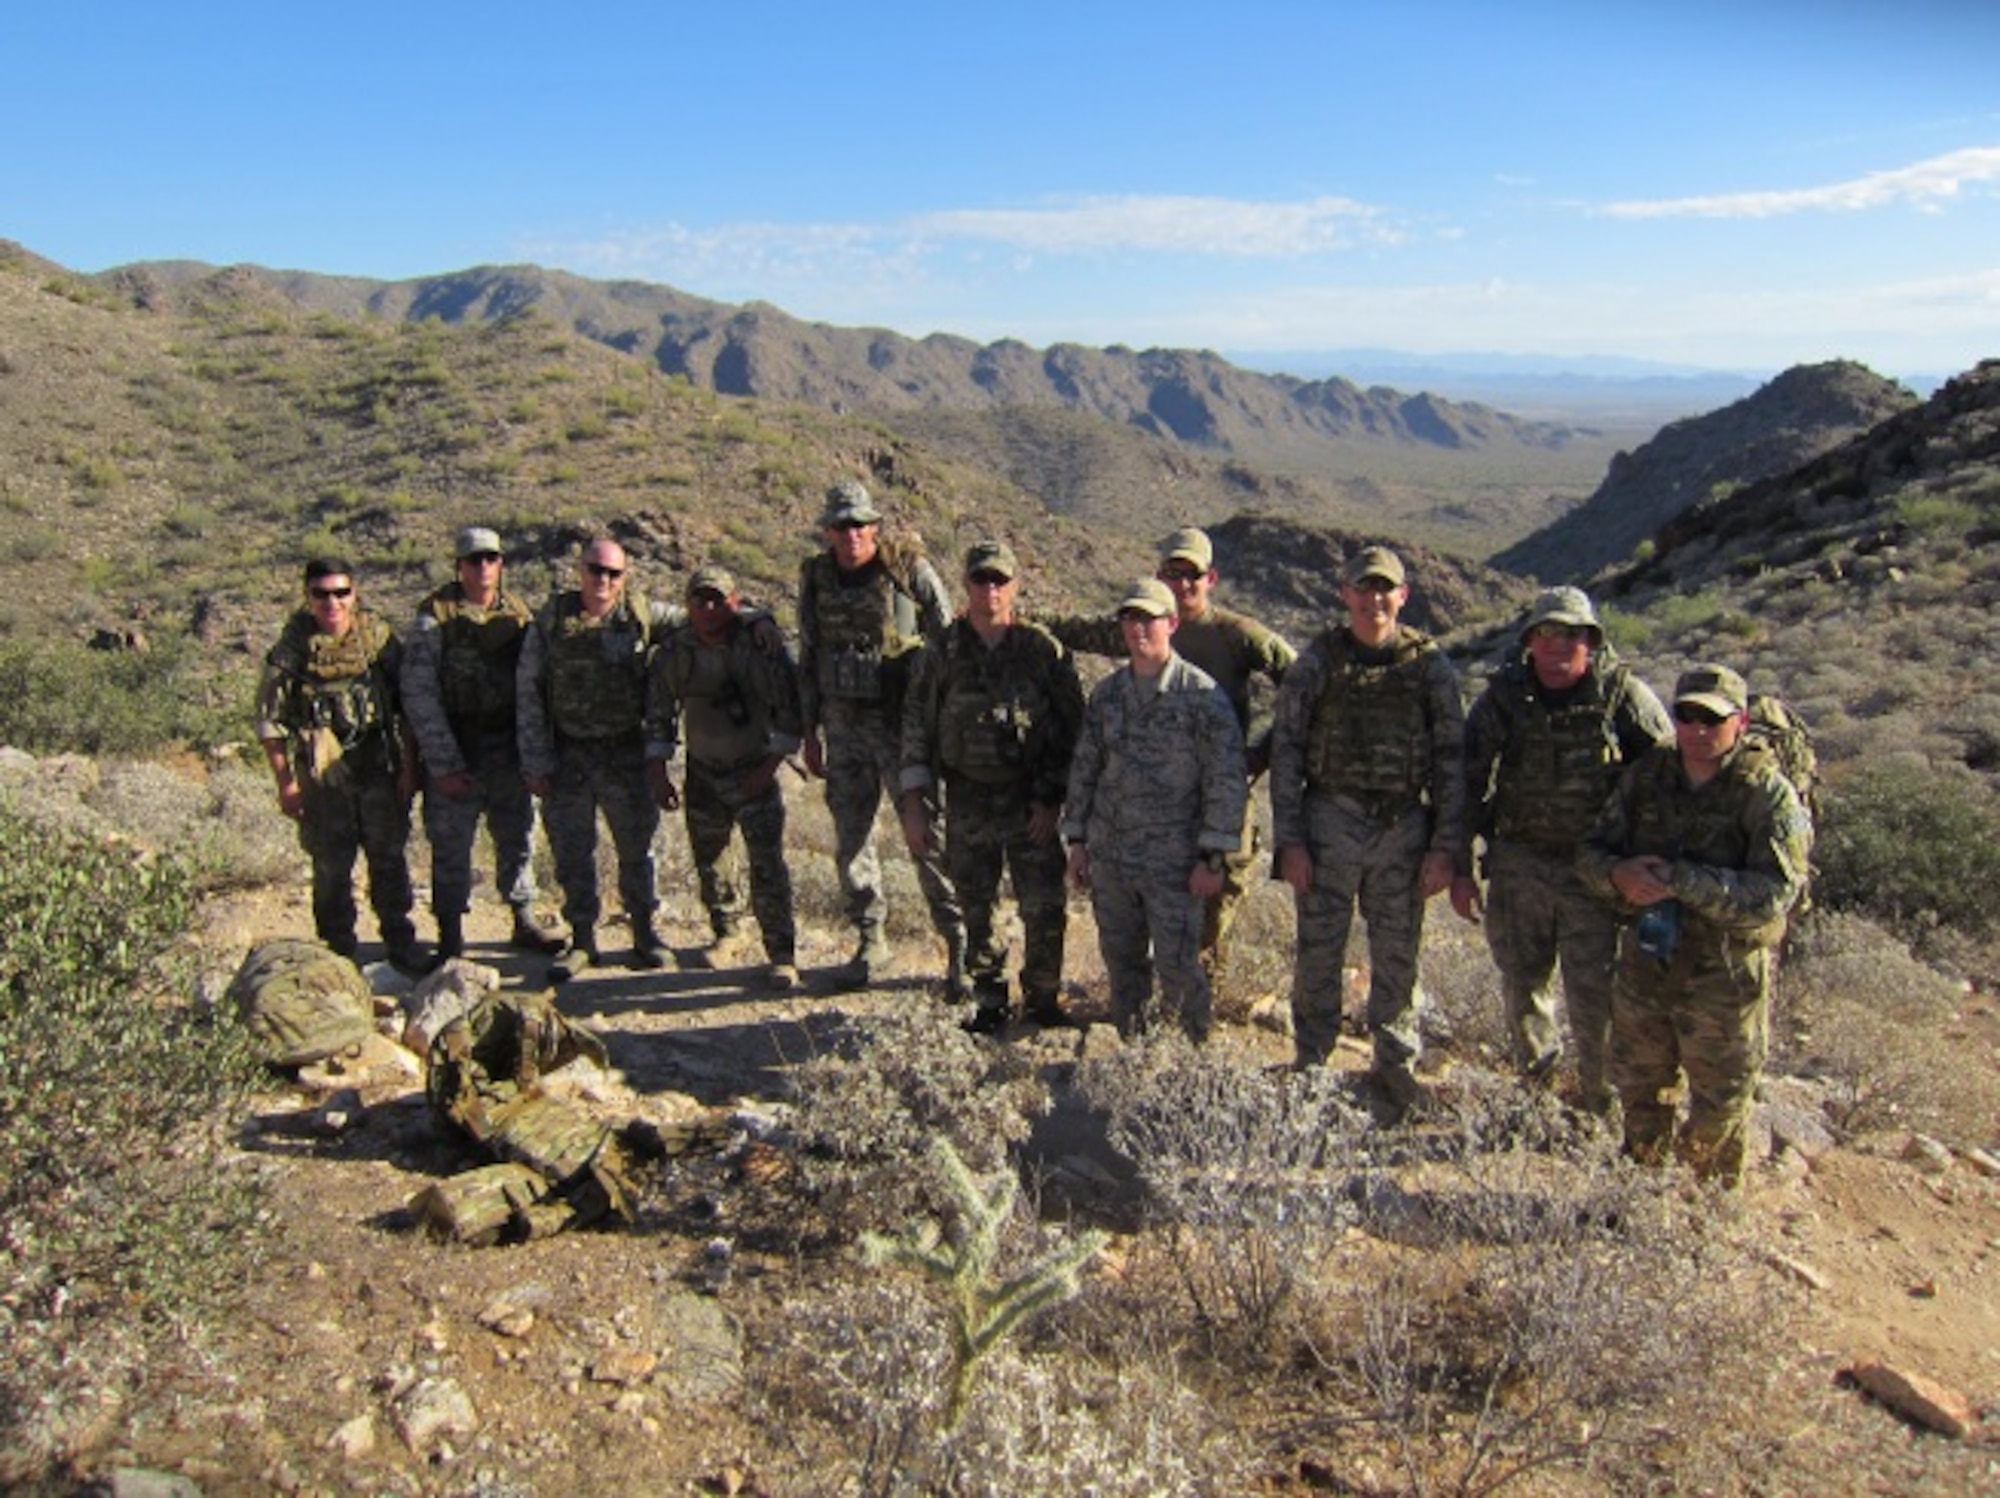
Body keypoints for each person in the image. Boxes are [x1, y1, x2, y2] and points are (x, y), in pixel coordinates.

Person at [1577, 663, 1810, 1188]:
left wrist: (1684, 882)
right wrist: (1619, 875)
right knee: (1640, 1090)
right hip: (1647, 961)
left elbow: (1776, 893)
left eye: (1713, 718)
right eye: (1687, 716)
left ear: (1740, 721)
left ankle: (1704, 1213)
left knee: (1720, 1103)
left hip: (1723, 974)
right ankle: (1637, 1203)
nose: (1698, 730)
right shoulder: (1646, 778)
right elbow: (1589, 853)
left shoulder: (1764, 794)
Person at [1452, 586, 1672, 1114]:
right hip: (1519, 865)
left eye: (1572, 635)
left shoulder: (1623, 698)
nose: (1558, 646)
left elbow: (1668, 782)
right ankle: (1538, 1099)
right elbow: (1466, 783)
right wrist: (1459, 866)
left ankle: (1600, 1108)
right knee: (1523, 988)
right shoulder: (1505, 698)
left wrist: (1649, 873)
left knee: (1594, 999)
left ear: (1591, 642)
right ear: (1530, 641)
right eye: (1547, 634)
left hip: (1595, 875)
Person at [1043, 526, 1294, 984]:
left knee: (1214, 910)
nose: (1181, 585)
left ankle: (1200, 1008)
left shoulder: (1237, 635)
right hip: (1154, 805)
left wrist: (1263, 752)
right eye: (1171, 573)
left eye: (1191, 575)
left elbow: (1301, 684)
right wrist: (1014, 617)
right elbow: (1074, 629)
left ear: (1210, 577)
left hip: (1219, 797)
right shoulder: (1143, 625)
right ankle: (1146, 1007)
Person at [1268, 545, 1465, 1123]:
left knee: (1398, 954)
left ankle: (1395, 1068)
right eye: (1364, 588)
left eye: (1386, 589)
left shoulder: (1428, 667)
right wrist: (1291, 843)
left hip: (1403, 827)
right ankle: (1311, 1060)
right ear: (1345, 593)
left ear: (1402, 596)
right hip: (1329, 820)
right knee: (1319, 951)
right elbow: (1287, 753)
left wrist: (1445, 847)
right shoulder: (1318, 662)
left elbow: (1453, 762)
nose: (1374, 599)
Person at [899, 541, 1084, 1034]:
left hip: (1031, 801)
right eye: (981, 580)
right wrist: (915, 804)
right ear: (966, 585)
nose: (991, 590)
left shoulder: (1041, 650)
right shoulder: (942, 650)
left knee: (1043, 905)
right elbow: (916, 726)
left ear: (1015, 587)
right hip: (967, 797)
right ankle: (990, 1002)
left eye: (1000, 580)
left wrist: (1053, 799)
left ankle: (1044, 999)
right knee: (976, 906)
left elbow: (1073, 730)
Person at [797, 479, 966, 991]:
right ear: (828, 531)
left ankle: (961, 947)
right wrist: (810, 731)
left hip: (901, 727)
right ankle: (871, 940)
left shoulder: (905, 569)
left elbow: (949, 637)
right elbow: (808, 654)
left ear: (874, 527)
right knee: (852, 838)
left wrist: (940, 714)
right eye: (841, 526)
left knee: (925, 836)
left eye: (859, 525)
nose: (851, 535)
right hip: (844, 727)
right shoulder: (816, 577)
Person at [1062, 578, 1247, 1042]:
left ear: (1172, 624)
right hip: (1113, 858)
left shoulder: (1202, 697)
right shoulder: (1107, 696)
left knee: (1179, 968)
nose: (1138, 628)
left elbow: (1225, 783)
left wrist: (1213, 859)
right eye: (1130, 618)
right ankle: (1133, 1053)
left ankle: (1189, 1064)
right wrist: (1078, 840)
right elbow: (1085, 768)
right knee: (1123, 966)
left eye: (1149, 618)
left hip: (1175, 864)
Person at [402, 526, 567, 962]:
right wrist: (443, 764)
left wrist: (532, 756)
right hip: (458, 747)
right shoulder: (433, 620)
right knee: (451, 844)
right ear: (459, 567)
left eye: (490, 559)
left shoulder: (517, 615)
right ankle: (451, 934)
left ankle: (523, 916)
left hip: (507, 749)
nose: (483, 567)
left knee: (517, 837)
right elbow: (420, 695)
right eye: (473, 560)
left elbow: (532, 689)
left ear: (501, 564)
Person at [517, 537, 678, 981]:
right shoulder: (552, 619)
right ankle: (583, 939)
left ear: (625, 577)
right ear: (580, 570)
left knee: (638, 850)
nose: (603, 580)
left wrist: (754, 619)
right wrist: (535, 759)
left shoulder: (641, 614)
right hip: (568, 755)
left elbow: (703, 620)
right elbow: (528, 690)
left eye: (613, 573)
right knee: (572, 851)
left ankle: (645, 934)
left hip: (625, 754)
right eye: (595, 570)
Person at [256, 556, 427, 971]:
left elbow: (407, 706)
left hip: (378, 765)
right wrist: (286, 783)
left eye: (340, 593)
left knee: (387, 855)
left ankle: (399, 939)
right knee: (331, 863)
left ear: (355, 594)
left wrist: (409, 766)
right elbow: (270, 721)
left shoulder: (378, 639)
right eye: (321, 594)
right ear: (307, 597)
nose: (332, 602)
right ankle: (338, 947)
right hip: (322, 776)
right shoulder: (291, 649)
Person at [648, 565, 803, 990]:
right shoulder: (676, 653)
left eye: (719, 599)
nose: (710, 608)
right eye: (700, 600)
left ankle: (782, 954)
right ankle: (727, 933)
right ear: (688, 605)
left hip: (753, 768)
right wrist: (659, 773)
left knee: (767, 865)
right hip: (702, 772)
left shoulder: (759, 647)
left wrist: (768, 768)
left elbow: (791, 711)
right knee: (712, 862)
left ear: (735, 603)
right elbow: (659, 715)